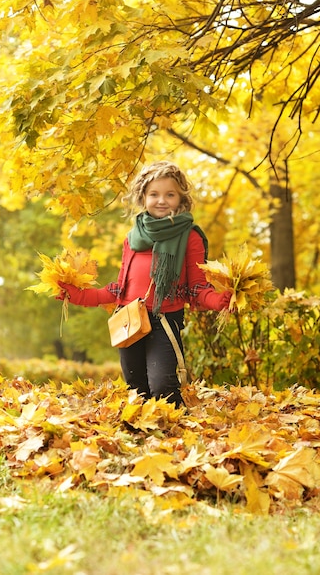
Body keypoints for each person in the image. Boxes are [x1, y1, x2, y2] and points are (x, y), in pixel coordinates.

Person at [57, 161, 233, 407]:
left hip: (164, 322)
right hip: (130, 320)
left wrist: (219, 301)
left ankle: (176, 437)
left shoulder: (190, 236)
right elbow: (119, 289)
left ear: (181, 199)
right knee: (136, 388)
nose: (162, 200)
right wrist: (76, 295)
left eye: (169, 194)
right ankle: (144, 441)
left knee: (163, 386)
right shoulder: (133, 238)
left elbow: (197, 288)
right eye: (154, 194)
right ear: (143, 197)